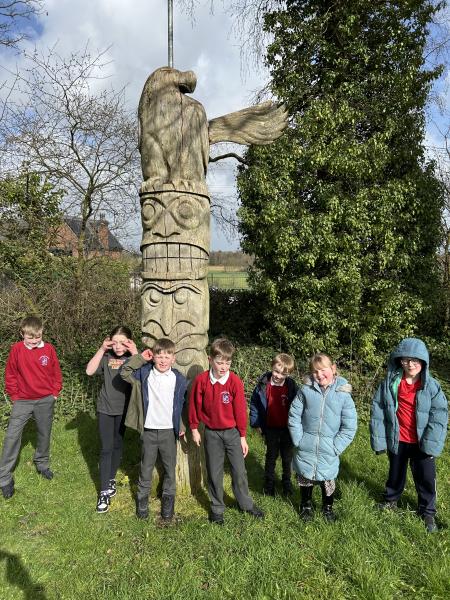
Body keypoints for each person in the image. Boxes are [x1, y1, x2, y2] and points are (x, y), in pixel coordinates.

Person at [370, 337, 448, 533]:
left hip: (422, 442)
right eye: (405, 359)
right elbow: (378, 410)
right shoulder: (390, 383)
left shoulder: (431, 386)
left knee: (426, 478)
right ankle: (391, 500)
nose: (410, 364)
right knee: (395, 473)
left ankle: (427, 511)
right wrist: (379, 439)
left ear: (423, 361)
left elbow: (439, 414)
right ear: (399, 361)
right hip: (398, 438)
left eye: (415, 360)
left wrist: (431, 442)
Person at [189, 338, 264, 525]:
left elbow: (240, 411)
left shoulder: (234, 381)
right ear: (210, 360)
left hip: (232, 433)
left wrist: (243, 436)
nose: (223, 367)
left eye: (227, 363)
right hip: (212, 433)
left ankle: (245, 503)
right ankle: (217, 508)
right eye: (219, 362)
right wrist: (194, 428)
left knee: (239, 471)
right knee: (214, 471)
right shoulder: (201, 381)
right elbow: (194, 405)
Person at [121, 338, 187, 522]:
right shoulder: (144, 374)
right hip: (149, 430)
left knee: (169, 469)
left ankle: (168, 505)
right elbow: (124, 371)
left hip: (168, 431)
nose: (163, 360)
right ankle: (142, 503)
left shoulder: (179, 379)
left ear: (173, 359)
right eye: (159, 356)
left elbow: (183, 404)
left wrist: (182, 425)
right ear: (154, 357)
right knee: (146, 468)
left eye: (167, 356)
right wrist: (141, 358)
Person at [289, 353, 357, 522]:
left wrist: (336, 446)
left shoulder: (343, 395)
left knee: (328, 478)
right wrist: (298, 439)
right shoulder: (305, 391)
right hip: (306, 445)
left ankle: (327, 508)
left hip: (329, 447)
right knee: (305, 476)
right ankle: (306, 506)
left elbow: (349, 426)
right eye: (315, 371)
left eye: (323, 370)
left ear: (333, 369)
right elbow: (294, 415)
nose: (319, 375)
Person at [0, 316, 63, 499]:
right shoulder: (17, 349)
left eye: (38, 337)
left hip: (45, 399)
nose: (34, 341)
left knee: (44, 433)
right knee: (12, 436)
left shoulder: (49, 349)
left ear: (42, 333)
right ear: (22, 334)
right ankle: (4, 477)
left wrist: (54, 393)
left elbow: (56, 373)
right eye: (30, 337)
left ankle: (42, 464)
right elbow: (10, 374)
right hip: (23, 401)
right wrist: (14, 396)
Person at [86, 326, 138, 513]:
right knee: (106, 448)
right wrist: (101, 349)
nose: (118, 346)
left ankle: (110, 479)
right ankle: (104, 492)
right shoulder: (106, 356)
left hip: (124, 410)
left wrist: (135, 352)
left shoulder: (132, 358)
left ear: (129, 342)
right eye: (114, 342)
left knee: (117, 444)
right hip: (105, 409)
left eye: (122, 342)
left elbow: (145, 376)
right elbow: (89, 371)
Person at [250, 353, 298, 496]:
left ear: (288, 375)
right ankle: (269, 483)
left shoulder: (291, 387)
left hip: (287, 429)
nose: (278, 376)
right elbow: (254, 404)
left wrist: (297, 426)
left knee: (287, 457)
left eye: (283, 374)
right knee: (271, 456)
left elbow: (299, 406)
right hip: (270, 428)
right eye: (276, 371)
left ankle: (286, 483)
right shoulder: (263, 385)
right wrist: (256, 423)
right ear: (272, 367)